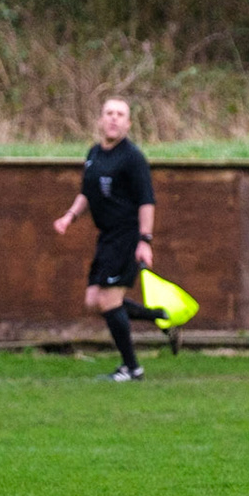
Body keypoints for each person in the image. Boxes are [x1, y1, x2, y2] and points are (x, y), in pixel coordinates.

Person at [53, 97, 175, 380]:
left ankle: (132, 368)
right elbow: (87, 193)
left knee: (108, 300)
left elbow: (147, 201)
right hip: (106, 236)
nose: (113, 118)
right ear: (100, 120)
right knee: (93, 300)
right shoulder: (94, 154)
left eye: (120, 114)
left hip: (127, 235)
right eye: (109, 113)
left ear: (128, 123)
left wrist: (145, 240)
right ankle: (160, 317)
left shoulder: (132, 157)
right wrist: (69, 216)